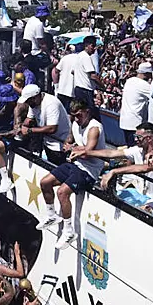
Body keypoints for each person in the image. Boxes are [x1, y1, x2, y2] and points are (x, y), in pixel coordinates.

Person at [36, 99, 106, 250]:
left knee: (62, 192)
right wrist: (69, 144)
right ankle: (51, 215)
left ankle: (69, 231)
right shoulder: (75, 123)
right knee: (44, 182)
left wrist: (73, 149)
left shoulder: (94, 128)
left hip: (89, 171)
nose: (76, 119)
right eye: (73, 116)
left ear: (87, 112)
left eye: (79, 115)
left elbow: (88, 153)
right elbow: (70, 140)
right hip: (76, 164)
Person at [72, 122, 153, 216]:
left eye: (138, 137)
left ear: (149, 138)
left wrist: (114, 171)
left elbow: (144, 168)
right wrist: (86, 152)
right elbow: (111, 153)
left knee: (142, 212)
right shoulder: (137, 150)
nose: (135, 140)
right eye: (135, 136)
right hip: (140, 194)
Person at [18, 83, 71, 165]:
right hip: (47, 142)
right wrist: (21, 126)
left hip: (59, 144)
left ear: (35, 97)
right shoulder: (33, 105)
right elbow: (29, 119)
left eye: (29, 101)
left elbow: (52, 128)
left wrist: (29, 130)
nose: (28, 104)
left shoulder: (51, 104)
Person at [119, 62, 153, 146]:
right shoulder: (143, 85)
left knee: (130, 149)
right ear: (146, 74)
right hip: (135, 124)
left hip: (124, 121)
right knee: (136, 151)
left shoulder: (129, 80)